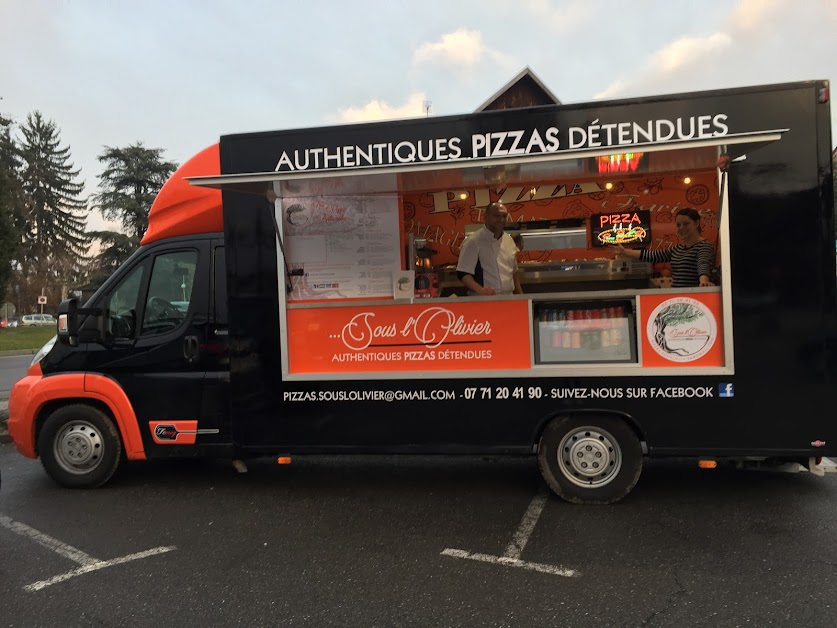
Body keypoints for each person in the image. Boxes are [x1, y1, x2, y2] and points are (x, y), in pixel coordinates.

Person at [616, 207, 715, 288]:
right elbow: (653, 255)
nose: (681, 228)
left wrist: (704, 281)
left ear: (696, 223)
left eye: (686, 224)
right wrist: (624, 251)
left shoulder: (704, 246)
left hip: (696, 298)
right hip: (678, 297)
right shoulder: (677, 249)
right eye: (678, 225)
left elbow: (703, 264)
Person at [456, 201, 523, 296]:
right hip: (484, 300)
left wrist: (520, 294)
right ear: (485, 217)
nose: (501, 219)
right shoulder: (473, 241)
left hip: (509, 298)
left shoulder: (509, 240)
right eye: (496, 216)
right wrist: (481, 290)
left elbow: (514, 271)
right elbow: (463, 273)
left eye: (504, 216)